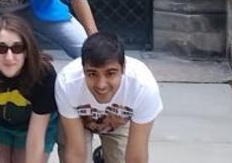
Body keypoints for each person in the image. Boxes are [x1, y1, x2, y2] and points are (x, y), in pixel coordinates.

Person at [55, 32, 163, 163]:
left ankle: (104, 155)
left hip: (119, 121)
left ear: (123, 68)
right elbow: (76, 153)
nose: (101, 85)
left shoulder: (143, 86)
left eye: (110, 73)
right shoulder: (67, 83)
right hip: (78, 121)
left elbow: (136, 158)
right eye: (92, 74)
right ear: (83, 69)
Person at [0, 14, 58, 163]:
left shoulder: (43, 74)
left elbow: (36, 136)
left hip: (32, 128)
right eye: (0, 48)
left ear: (27, 50)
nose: (9, 57)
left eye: (17, 48)